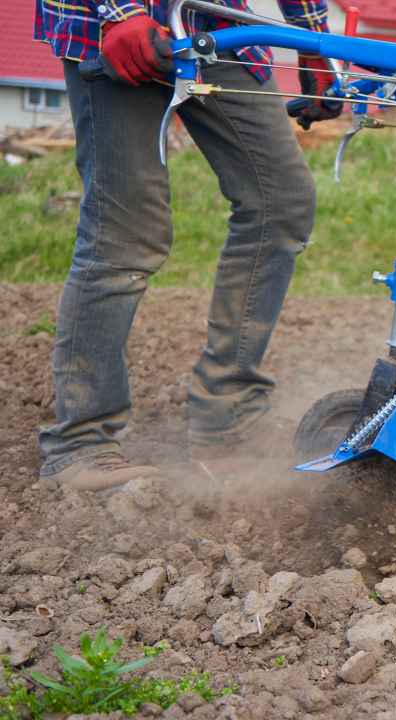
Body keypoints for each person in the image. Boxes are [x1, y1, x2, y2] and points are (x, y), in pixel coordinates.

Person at [33, 0, 342, 490]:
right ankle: (80, 443)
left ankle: (228, 417)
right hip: (115, 26)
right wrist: (120, 11)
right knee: (125, 228)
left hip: (211, 21)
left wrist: (315, 41)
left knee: (280, 200)